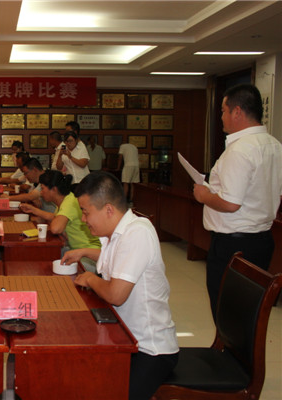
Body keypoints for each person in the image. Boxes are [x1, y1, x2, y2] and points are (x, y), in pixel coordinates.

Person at [63, 171, 178, 400]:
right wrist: (85, 251)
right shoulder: (116, 232)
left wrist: (91, 279)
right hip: (123, 335)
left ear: (108, 209)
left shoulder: (138, 233)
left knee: (104, 390)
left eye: (86, 212)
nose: (83, 219)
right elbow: (116, 259)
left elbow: (116, 295)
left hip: (149, 349)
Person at [193, 83, 282, 320]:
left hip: (234, 246)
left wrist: (203, 195)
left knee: (228, 314)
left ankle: (228, 346)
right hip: (262, 239)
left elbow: (231, 203)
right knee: (249, 313)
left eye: (223, 111)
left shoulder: (240, 150)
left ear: (237, 112)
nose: (221, 117)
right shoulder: (274, 145)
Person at [19, 170, 100, 259]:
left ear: (54, 189)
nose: (41, 193)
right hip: (76, 250)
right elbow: (55, 217)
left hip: (89, 255)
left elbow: (55, 229)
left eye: (43, 188)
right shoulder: (66, 199)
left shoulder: (69, 202)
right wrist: (33, 210)